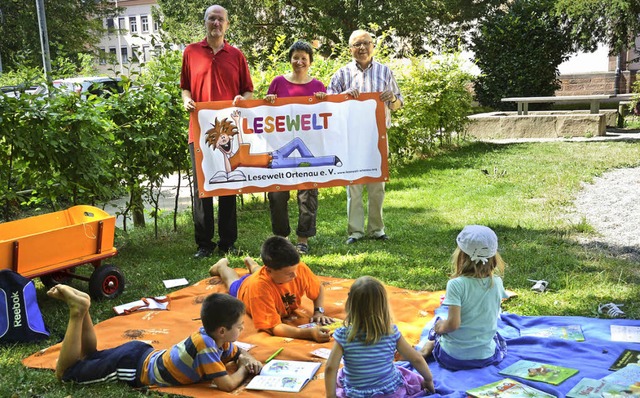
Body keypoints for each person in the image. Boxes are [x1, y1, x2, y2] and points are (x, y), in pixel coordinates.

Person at [48, 285, 262, 392]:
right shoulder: (206, 346)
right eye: (240, 326)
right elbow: (226, 385)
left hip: (140, 353)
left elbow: (237, 352)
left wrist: (245, 358)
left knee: (90, 356)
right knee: (67, 374)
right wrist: (245, 370)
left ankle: (84, 308)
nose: (242, 329)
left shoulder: (214, 337)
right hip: (132, 367)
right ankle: (78, 312)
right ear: (223, 330)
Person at [181, 4, 254, 259]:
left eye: (220, 19)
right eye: (212, 19)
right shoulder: (190, 52)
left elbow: (248, 90)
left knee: (228, 185)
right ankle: (204, 243)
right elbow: (185, 88)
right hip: (199, 132)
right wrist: (185, 100)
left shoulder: (236, 55)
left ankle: (227, 242)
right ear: (205, 22)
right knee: (202, 188)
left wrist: (241, 99)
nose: (216, 23)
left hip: (228, 133)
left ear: (227, 24)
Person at [327, 29, 403, 245]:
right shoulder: (341, 74)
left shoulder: (385, 72)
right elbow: (329, 104)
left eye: (365, 43)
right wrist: (344, 97)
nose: (361, 48)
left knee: (377, 186)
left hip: (378, 137)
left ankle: (377, 229)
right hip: (351, 138)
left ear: (373, 46)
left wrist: (393, 99)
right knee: (354, 185)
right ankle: (356, 231)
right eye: (356, 44)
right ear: (350, 49)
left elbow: (398, 105)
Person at [263, 40, 328, 255]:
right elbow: (267, 114)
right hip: (281, 147)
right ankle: (282, 238)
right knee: (277, 194)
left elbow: (326, 114)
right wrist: (269, 100)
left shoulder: (318, 86)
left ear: (310, 62)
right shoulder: (278, 82)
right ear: (290, 59)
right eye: (295, 57)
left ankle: (303, 239)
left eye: (304, 58)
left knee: (307, 193)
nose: (299, 61)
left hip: (309, 147)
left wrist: (322, 100)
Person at [324, 276, 435, 397]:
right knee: (405, 373)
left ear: (350, 303)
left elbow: (330, 368)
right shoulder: (391, 332)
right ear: (383, 305)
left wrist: (331, 396)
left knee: (341, 374)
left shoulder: (344, 336)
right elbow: (416, 359)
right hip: (389, 392)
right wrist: (428, 379)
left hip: (357, 394)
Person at [208, 236, 334, 343]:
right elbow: (275, 327)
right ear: (269, 270)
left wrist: (319, 311)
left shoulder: (297, 268)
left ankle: (252, 264)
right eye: (289, 273)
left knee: (258, 272)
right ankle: (221, 266)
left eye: (296, 270)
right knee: (232, 283)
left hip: (265, 276)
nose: (295, 275)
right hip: (245, 287)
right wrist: (309, 333)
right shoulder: (257, 288)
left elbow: (318, 289)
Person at [420, 225, 509, 370]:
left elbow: (453, 325)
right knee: (496, 337)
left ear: (461, 255)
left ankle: (428, 346)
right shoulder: (497, 282)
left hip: (452, 358)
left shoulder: (456, 285)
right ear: (493, 256)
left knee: (437, 324)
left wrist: (440, 327)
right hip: (485, 357)